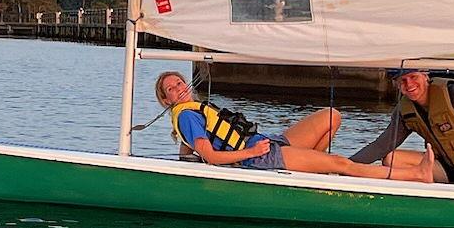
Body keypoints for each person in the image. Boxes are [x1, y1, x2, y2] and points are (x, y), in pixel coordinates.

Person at [153, 72, 392, 178]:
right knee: (341, 163)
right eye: (171, 89)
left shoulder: (192, 112)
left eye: (179, 82)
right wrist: (251, 152)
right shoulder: (186, 116)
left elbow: (188, 150)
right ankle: (410, 175)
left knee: (331, 116)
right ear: (167, 100)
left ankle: (308, 167)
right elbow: (210, 156)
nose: (178, 88)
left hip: (267, 141)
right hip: (259, 156)